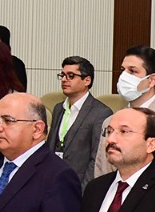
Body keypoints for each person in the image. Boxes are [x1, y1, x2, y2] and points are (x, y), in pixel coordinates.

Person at [98, 45, 155, 184]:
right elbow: (101, 173)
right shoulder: (109, 122)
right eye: (123, 70)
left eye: (132, 71)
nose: (124, 77)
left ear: (151, 80)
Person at [48, 55, 114, 189]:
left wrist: (84, 191)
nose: (64, 80)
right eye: (63, 75)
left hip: (78, 185)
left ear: (87, 80)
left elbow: (96, 158)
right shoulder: (58, 108)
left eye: (71, 76)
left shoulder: (101, 113)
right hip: (52, 182)